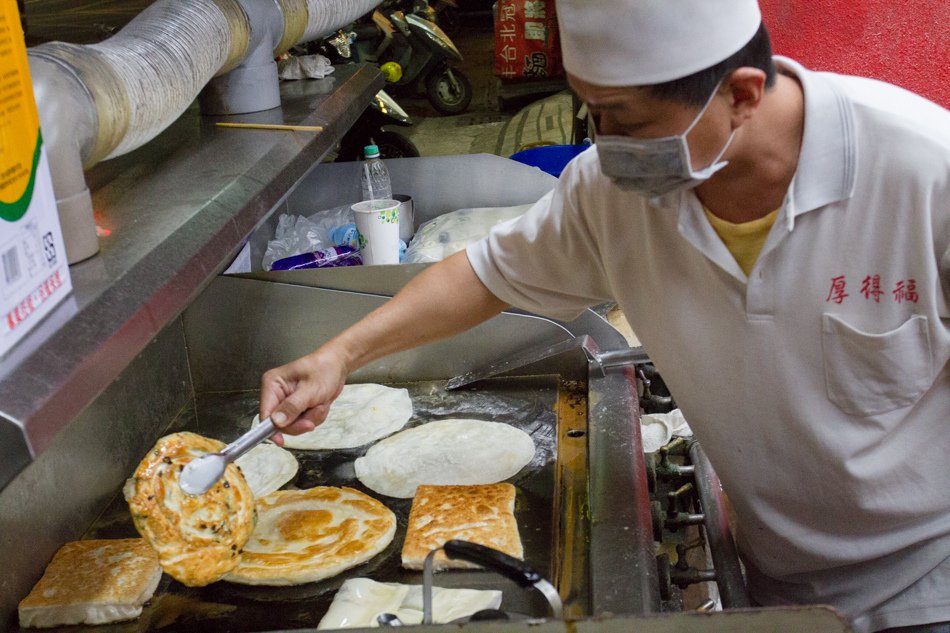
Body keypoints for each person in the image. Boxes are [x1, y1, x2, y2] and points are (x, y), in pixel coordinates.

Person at [259, 1, 950, 630]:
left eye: (630, 122)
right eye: (593, 113)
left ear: (741, 94)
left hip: (927, 581)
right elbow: (482, 277)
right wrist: (338, 356)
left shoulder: (923, 173)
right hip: (774, 579)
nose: (606, 145)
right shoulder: (615, 189)